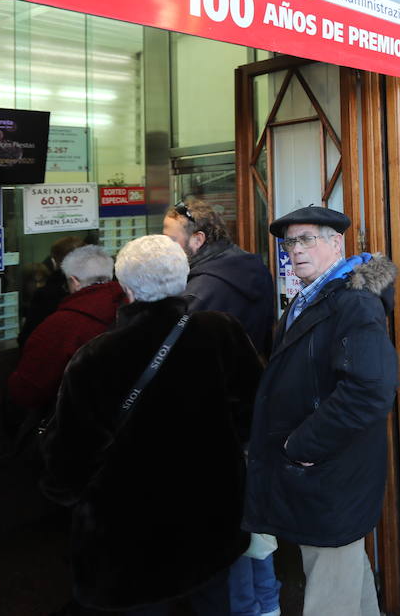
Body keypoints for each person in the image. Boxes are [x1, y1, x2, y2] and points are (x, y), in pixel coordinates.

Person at [41, 235, 263, 614]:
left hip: (129, 547)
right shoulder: (222, 332)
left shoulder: (95, 358)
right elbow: (253, 416)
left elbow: (68, 467)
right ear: (183, 278)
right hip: (211, 527)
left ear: (125, 289)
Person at [244, 206, 398, 616]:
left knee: (330, 596)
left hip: (329, 474)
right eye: (290, 242)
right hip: (320, 476)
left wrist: (301, 444)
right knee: (347, 580)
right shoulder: (311, 295)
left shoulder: (353, 302)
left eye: (307, 239)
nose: (295, 250)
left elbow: (370, 390)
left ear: (336, 243)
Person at [8, 245, 126, 413]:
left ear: (75, 282)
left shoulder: (60, 326)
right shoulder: (131, 308)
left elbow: (26, 391)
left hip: (77, 422)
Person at [164, 196, 275, 357]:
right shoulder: (257, 269)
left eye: (171, 240)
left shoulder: (197, 292)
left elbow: (177, 354)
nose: (165, 247)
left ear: (198, 239)